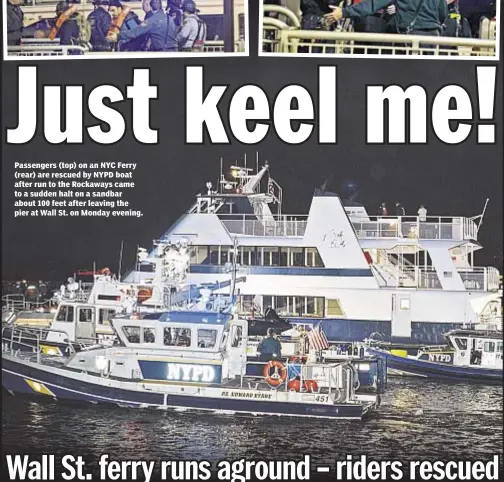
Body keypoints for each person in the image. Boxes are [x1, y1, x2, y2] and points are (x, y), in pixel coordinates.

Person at [326, 0, 448, 38]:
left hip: (410, 35)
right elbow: (443, 13)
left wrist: (344, 12)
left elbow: (374, 4)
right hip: (433, 35)